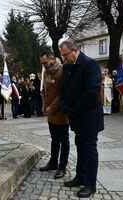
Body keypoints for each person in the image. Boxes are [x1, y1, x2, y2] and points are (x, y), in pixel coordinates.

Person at [59, 40, 104, 198]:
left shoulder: (90, 65)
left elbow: (92, 91)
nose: (64, 58)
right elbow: (63, 90)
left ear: (75, 51)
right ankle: (80, 176)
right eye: (62, 55)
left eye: (66, 55)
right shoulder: (66, 67)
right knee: (80, 145)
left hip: (89, 116)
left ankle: (90, 184)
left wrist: (75, 109)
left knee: (90, 148)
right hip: (75, 115)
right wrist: (65, 107)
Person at [39, 51, 70, 179]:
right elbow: (45, 91)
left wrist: (52, 107)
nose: (43, 65)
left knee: (64, 140)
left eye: (45, 62)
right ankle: (53, 163)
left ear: (52, 59)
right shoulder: (46, 72)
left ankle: (62, 167)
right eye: (42, 63)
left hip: (61, 112)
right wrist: (45, 106)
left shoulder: (62, 71)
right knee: (54, 139)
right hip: (50, 112)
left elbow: (63, 93)